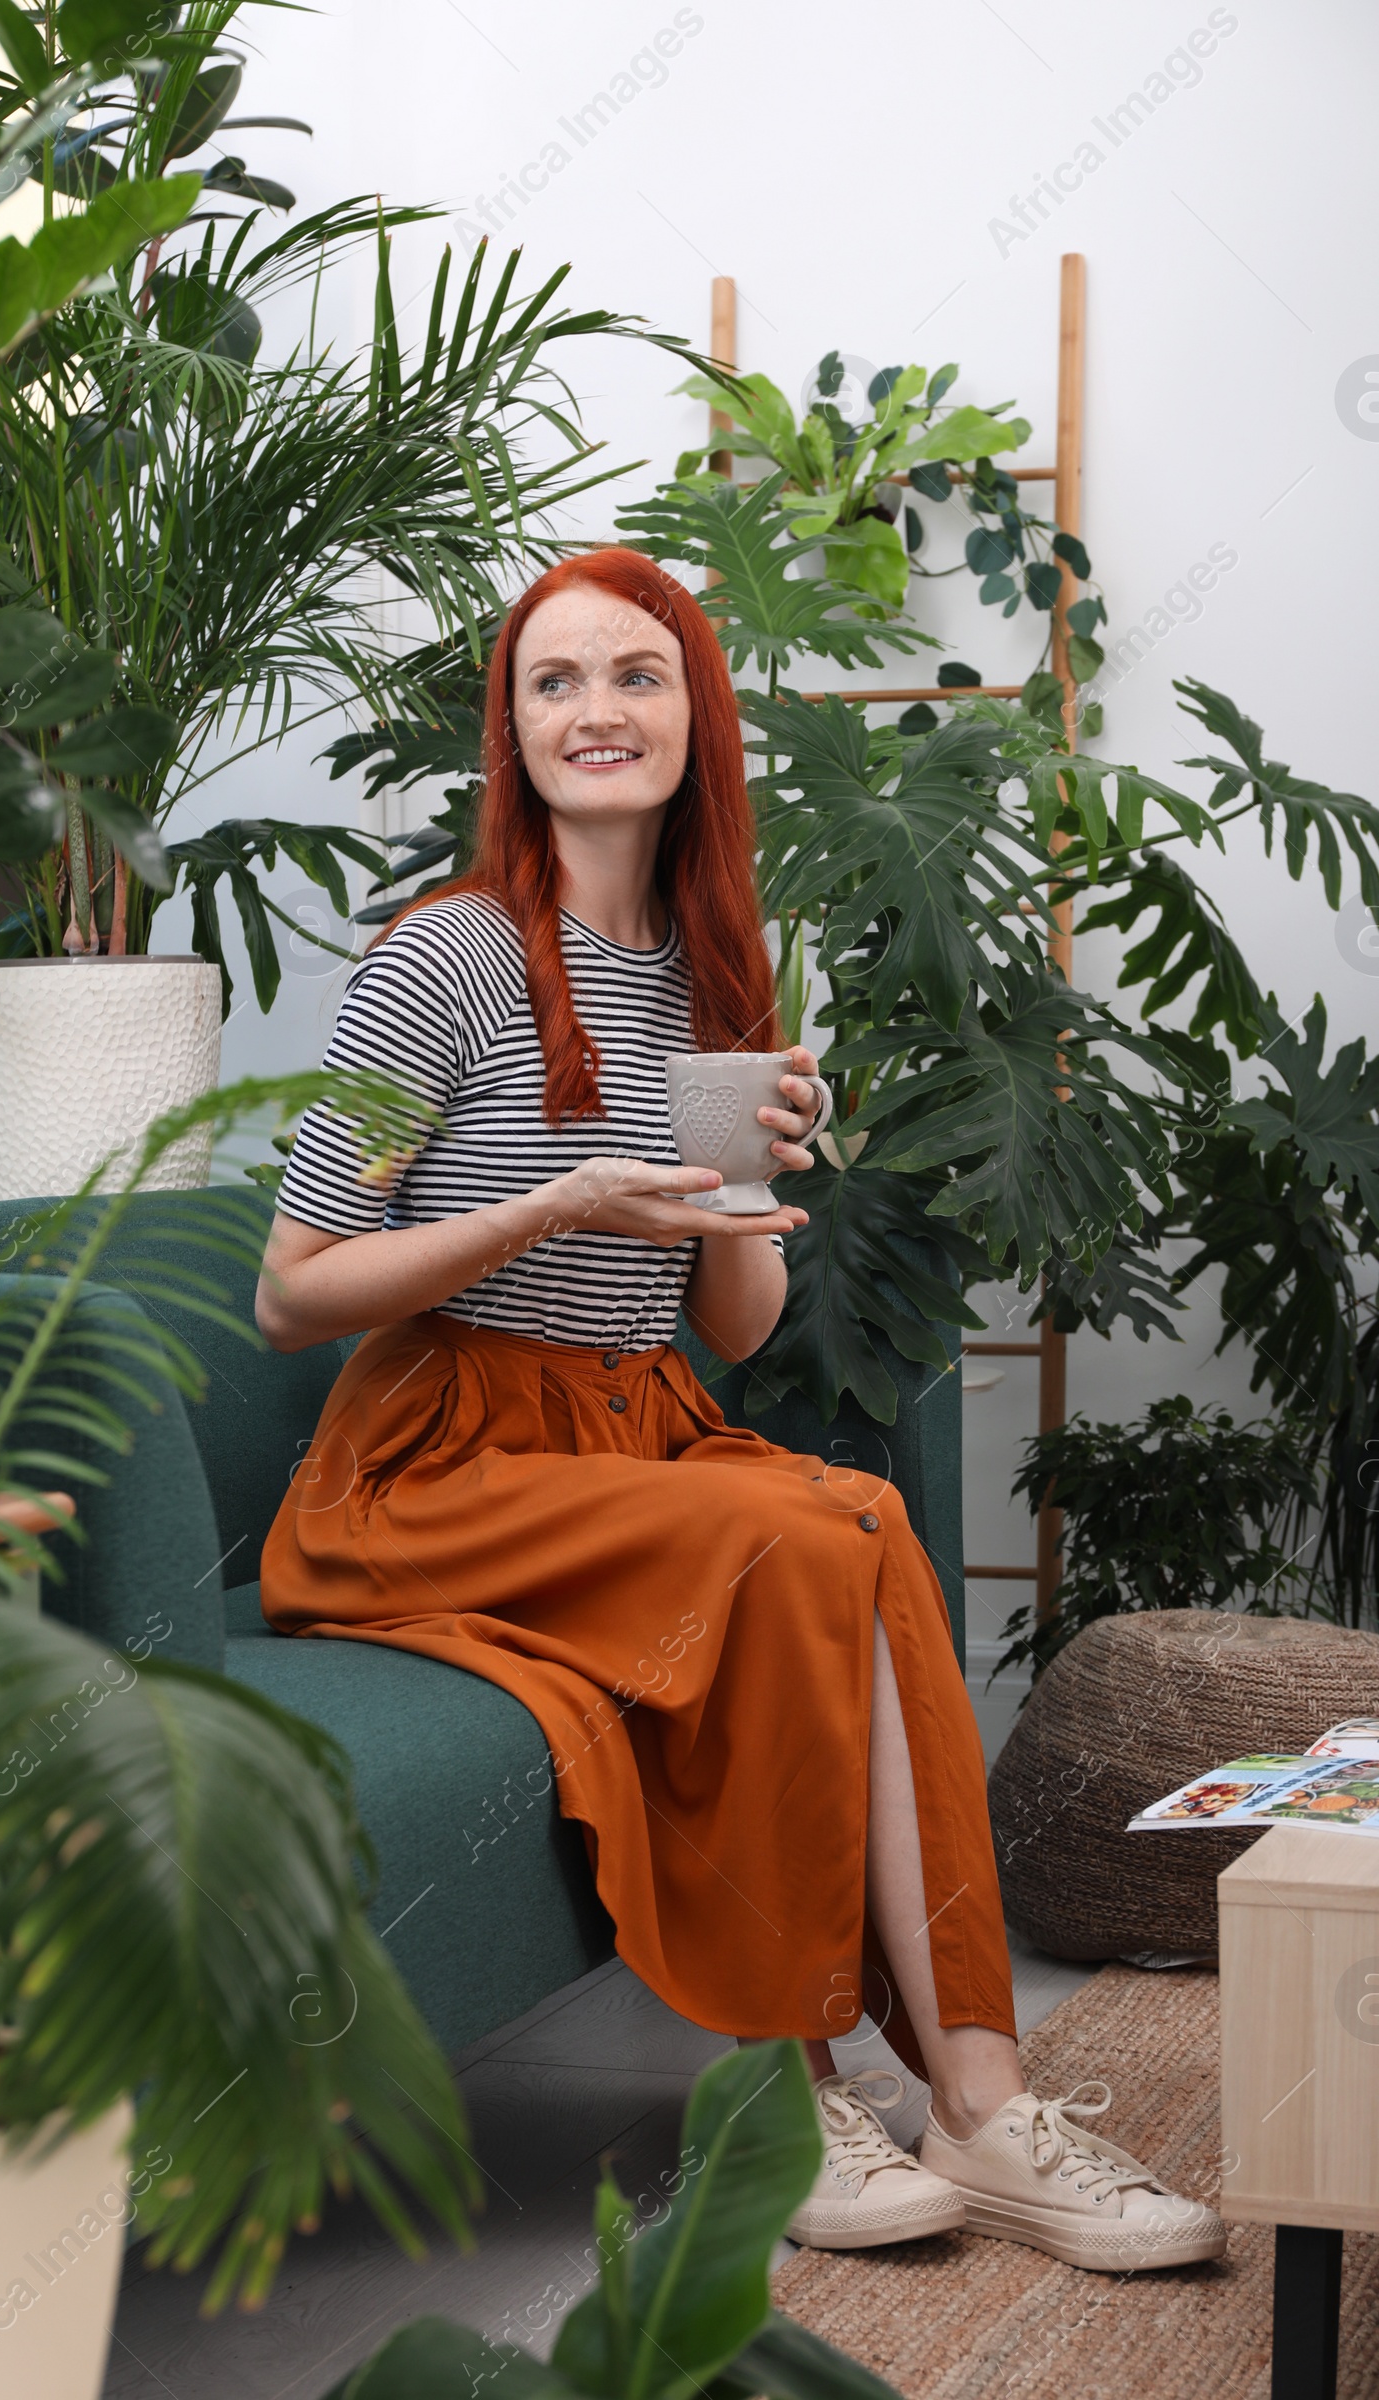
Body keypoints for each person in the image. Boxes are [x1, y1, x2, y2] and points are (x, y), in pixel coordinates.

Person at [256, 547, 1223, 2270]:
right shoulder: (446, 960)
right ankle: (793, 2092)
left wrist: (745, 1199)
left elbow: (730, 1328)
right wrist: (557, 1204)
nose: (595, 711)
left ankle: (985, 2110)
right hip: (434, 1460)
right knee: (815, 1527)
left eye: (634, 674)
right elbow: (293, 1287)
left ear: (696, 715)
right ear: (515, 730)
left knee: (849, 1520)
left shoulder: (712, 975)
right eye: (553, 683)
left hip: (637, 1434)